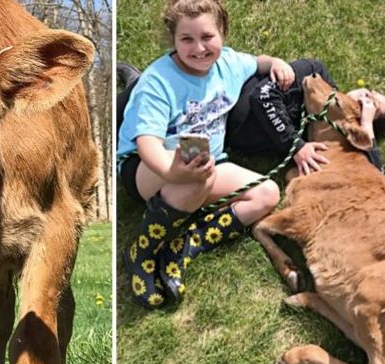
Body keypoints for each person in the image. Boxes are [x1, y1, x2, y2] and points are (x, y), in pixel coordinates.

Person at [118, 0, 288, 309]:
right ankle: (142, 251)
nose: (199, 48)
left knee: (266, 194)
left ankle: (184, 245)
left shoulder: (230, 65)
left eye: (207, 37)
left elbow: (258, 61)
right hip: (147, 169)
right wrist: (174, 174)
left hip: (205, 162)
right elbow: (147, 144)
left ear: (222, 32)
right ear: (174, 40)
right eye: (187, 40)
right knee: (194, 177)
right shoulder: (158, 81)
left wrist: (275, 62)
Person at [225, 58, 385, 175]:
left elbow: (374, 174)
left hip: (220, 141)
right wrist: (296, 146)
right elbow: (262, 96)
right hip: (219, 101)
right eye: (369, 93)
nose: (364, 97)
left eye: (369, 105)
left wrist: (367, 125)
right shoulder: (315, 74)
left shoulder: (330, 141)